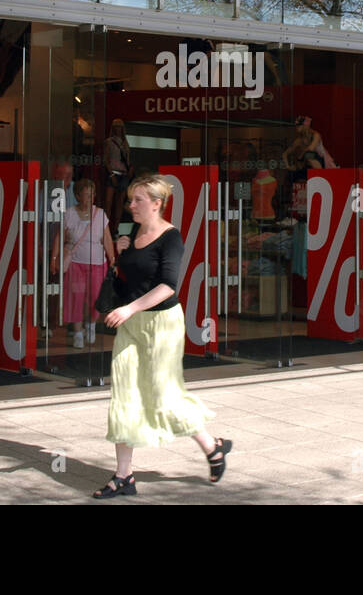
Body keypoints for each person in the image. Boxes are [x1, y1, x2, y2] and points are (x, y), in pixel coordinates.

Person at [93, 174, 231, 498]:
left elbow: (168, 285)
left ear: (157, 203)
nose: (131, 206)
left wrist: (129, 309)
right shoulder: (133, 232)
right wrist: (119, 255)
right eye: (130, 200)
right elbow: (129, 278)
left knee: (163, 397)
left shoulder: (171, 238)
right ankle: (123, 477)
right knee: (124, 395)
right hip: (131, 326)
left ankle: (212, 447)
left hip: (161, 324)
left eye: (137, 200)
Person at [52, 179, 115, 349]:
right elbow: (60, 238)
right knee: (76, 298)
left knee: (95, 297)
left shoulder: (100, 214)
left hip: (97, 264)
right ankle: (78, 333)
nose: (90, 198)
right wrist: (54, 259)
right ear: (78, 196)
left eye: (92, 195)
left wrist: (113, 259)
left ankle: (91, 324)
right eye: (87, 195)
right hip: (76, 265)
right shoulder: (69, 214)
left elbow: (107, 238)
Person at [104, 119, 132, 238]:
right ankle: (105, 230)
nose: (117, 129)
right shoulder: (109, 142)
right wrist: (111, 174)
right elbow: (106, 159)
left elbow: (128, 160)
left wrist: (129, 170)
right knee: (108, 203)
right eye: (115, 126)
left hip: (123, 174)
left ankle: (115, 230)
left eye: (120, 127)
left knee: (119, 204)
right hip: (112, 173)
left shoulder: (125, 143)